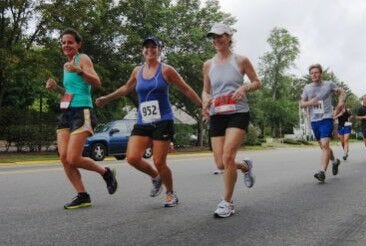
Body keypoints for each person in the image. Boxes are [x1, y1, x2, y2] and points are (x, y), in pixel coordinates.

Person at [96, 36, 202, 207]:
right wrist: (107, 98)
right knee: (131, 158)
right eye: (146, 47)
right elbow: (125, 88)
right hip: (143, 121)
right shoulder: (137, 71)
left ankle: (170, 193)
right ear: (142, 50)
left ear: (160, 50)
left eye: (154, 47)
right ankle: (156, 177)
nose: (150, 50)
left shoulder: (167, 70)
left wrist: (201, 105)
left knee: (159, 161)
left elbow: (185, 88)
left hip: (163, 120)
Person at [46, 28, 117, 209]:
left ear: (78, 44)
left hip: (82, 111)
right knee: (64, 158)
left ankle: (106, 172)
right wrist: (57, 88)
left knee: (73, 158)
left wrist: (79, 70)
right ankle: (82, 195)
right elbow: (70, 92)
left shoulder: (82, 59)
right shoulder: (65, 65)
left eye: (70, 42)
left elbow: (96, 82)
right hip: (67, 111)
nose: (66, 45)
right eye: (63, 42)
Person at [202, 23, 261, 218]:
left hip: (238, 112)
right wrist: (205, 102)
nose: (217, 40)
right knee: (220, 163)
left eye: (220, 36)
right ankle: (244, 166)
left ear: (229, 37)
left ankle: (227, 202)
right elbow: (206, 90)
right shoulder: (208, 65)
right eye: (214, 37)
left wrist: (244, 88)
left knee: (227, 157)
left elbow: (257, 82)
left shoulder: (241, 60)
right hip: (218, 113)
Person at [300, 63, 345, 183]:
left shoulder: (329, 84)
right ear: (310, 75)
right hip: (314, 120)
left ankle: (322, 172)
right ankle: (335, 161)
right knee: (323, 146)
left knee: (325, 145)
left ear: (321, 73)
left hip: (327, 118)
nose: (314, 75)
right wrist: (311, 103)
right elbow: (301, 104)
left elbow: (341, 92)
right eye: (312, 73)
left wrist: (340, 103)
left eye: (316, 72)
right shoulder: (307, 88)